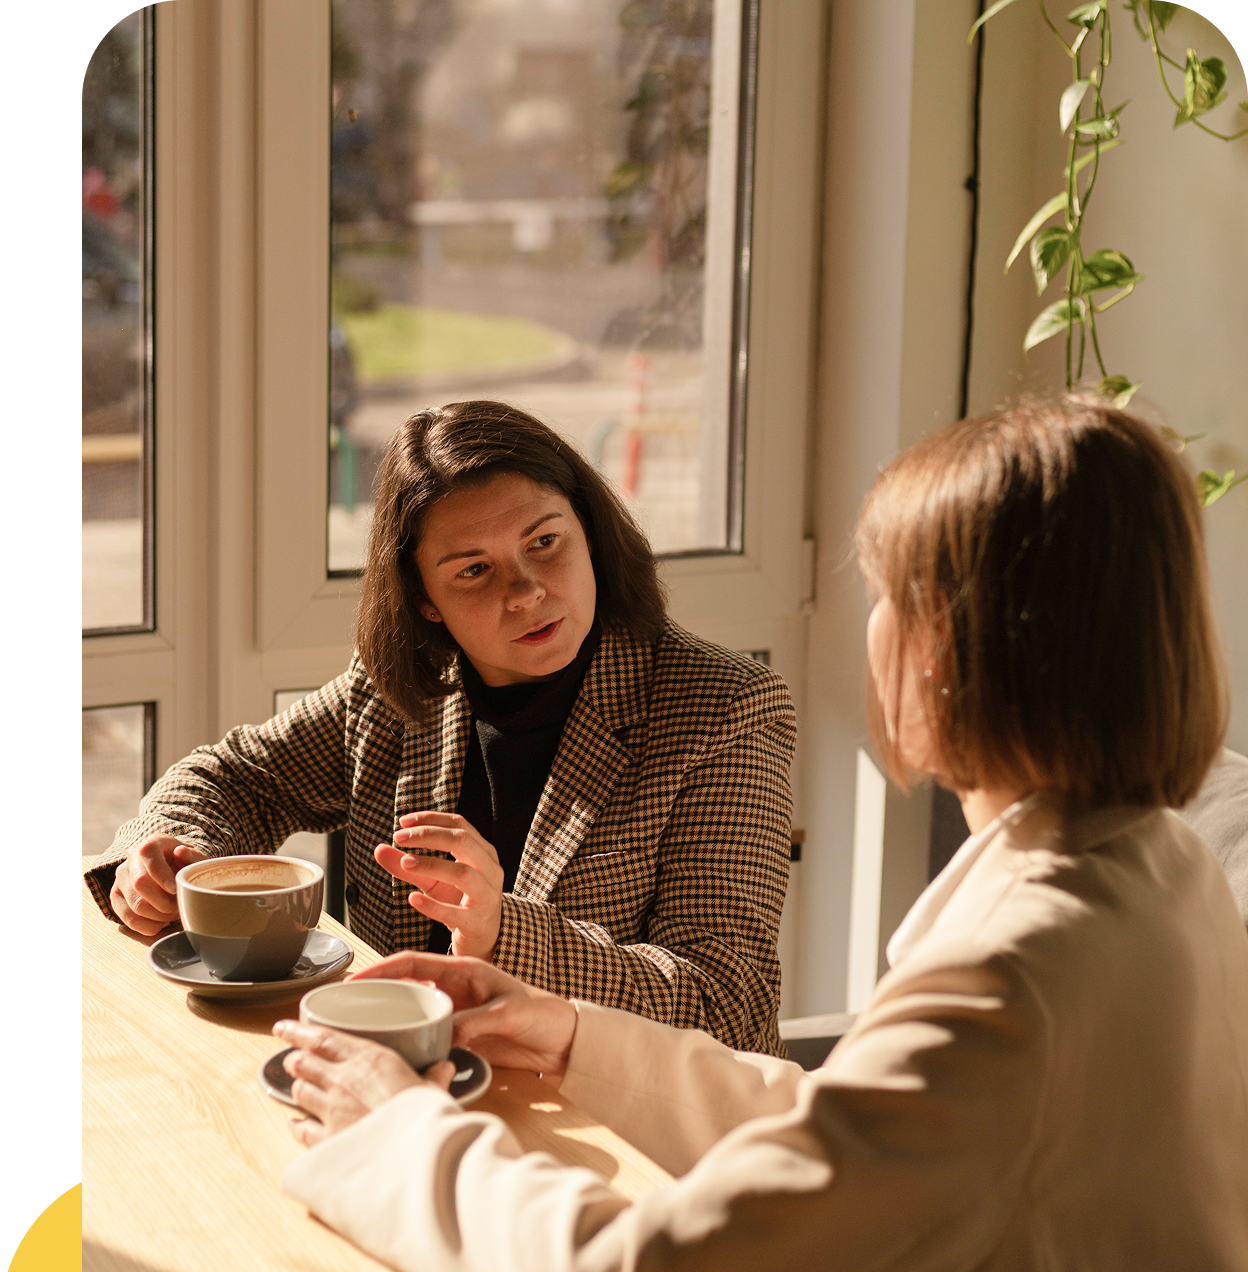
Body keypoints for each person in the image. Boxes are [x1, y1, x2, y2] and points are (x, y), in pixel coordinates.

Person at [275, 398, 1248, 1272]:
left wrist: (398, 1132)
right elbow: (857, 1128)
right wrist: (573, 1036)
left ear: (951, 652)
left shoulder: (1005, 984)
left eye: (886, 599)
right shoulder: (1170, 870)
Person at [84, 402, 795, 1054]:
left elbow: (724, 1004)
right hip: (420, 1093)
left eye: (544, 541)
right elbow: (238, 776)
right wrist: (169, 854)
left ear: (590, 533)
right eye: (474, 570)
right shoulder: (404, 691)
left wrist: (500, 932)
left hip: (640, 1144)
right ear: (424, 599)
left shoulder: (725, 709)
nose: (526, 592)